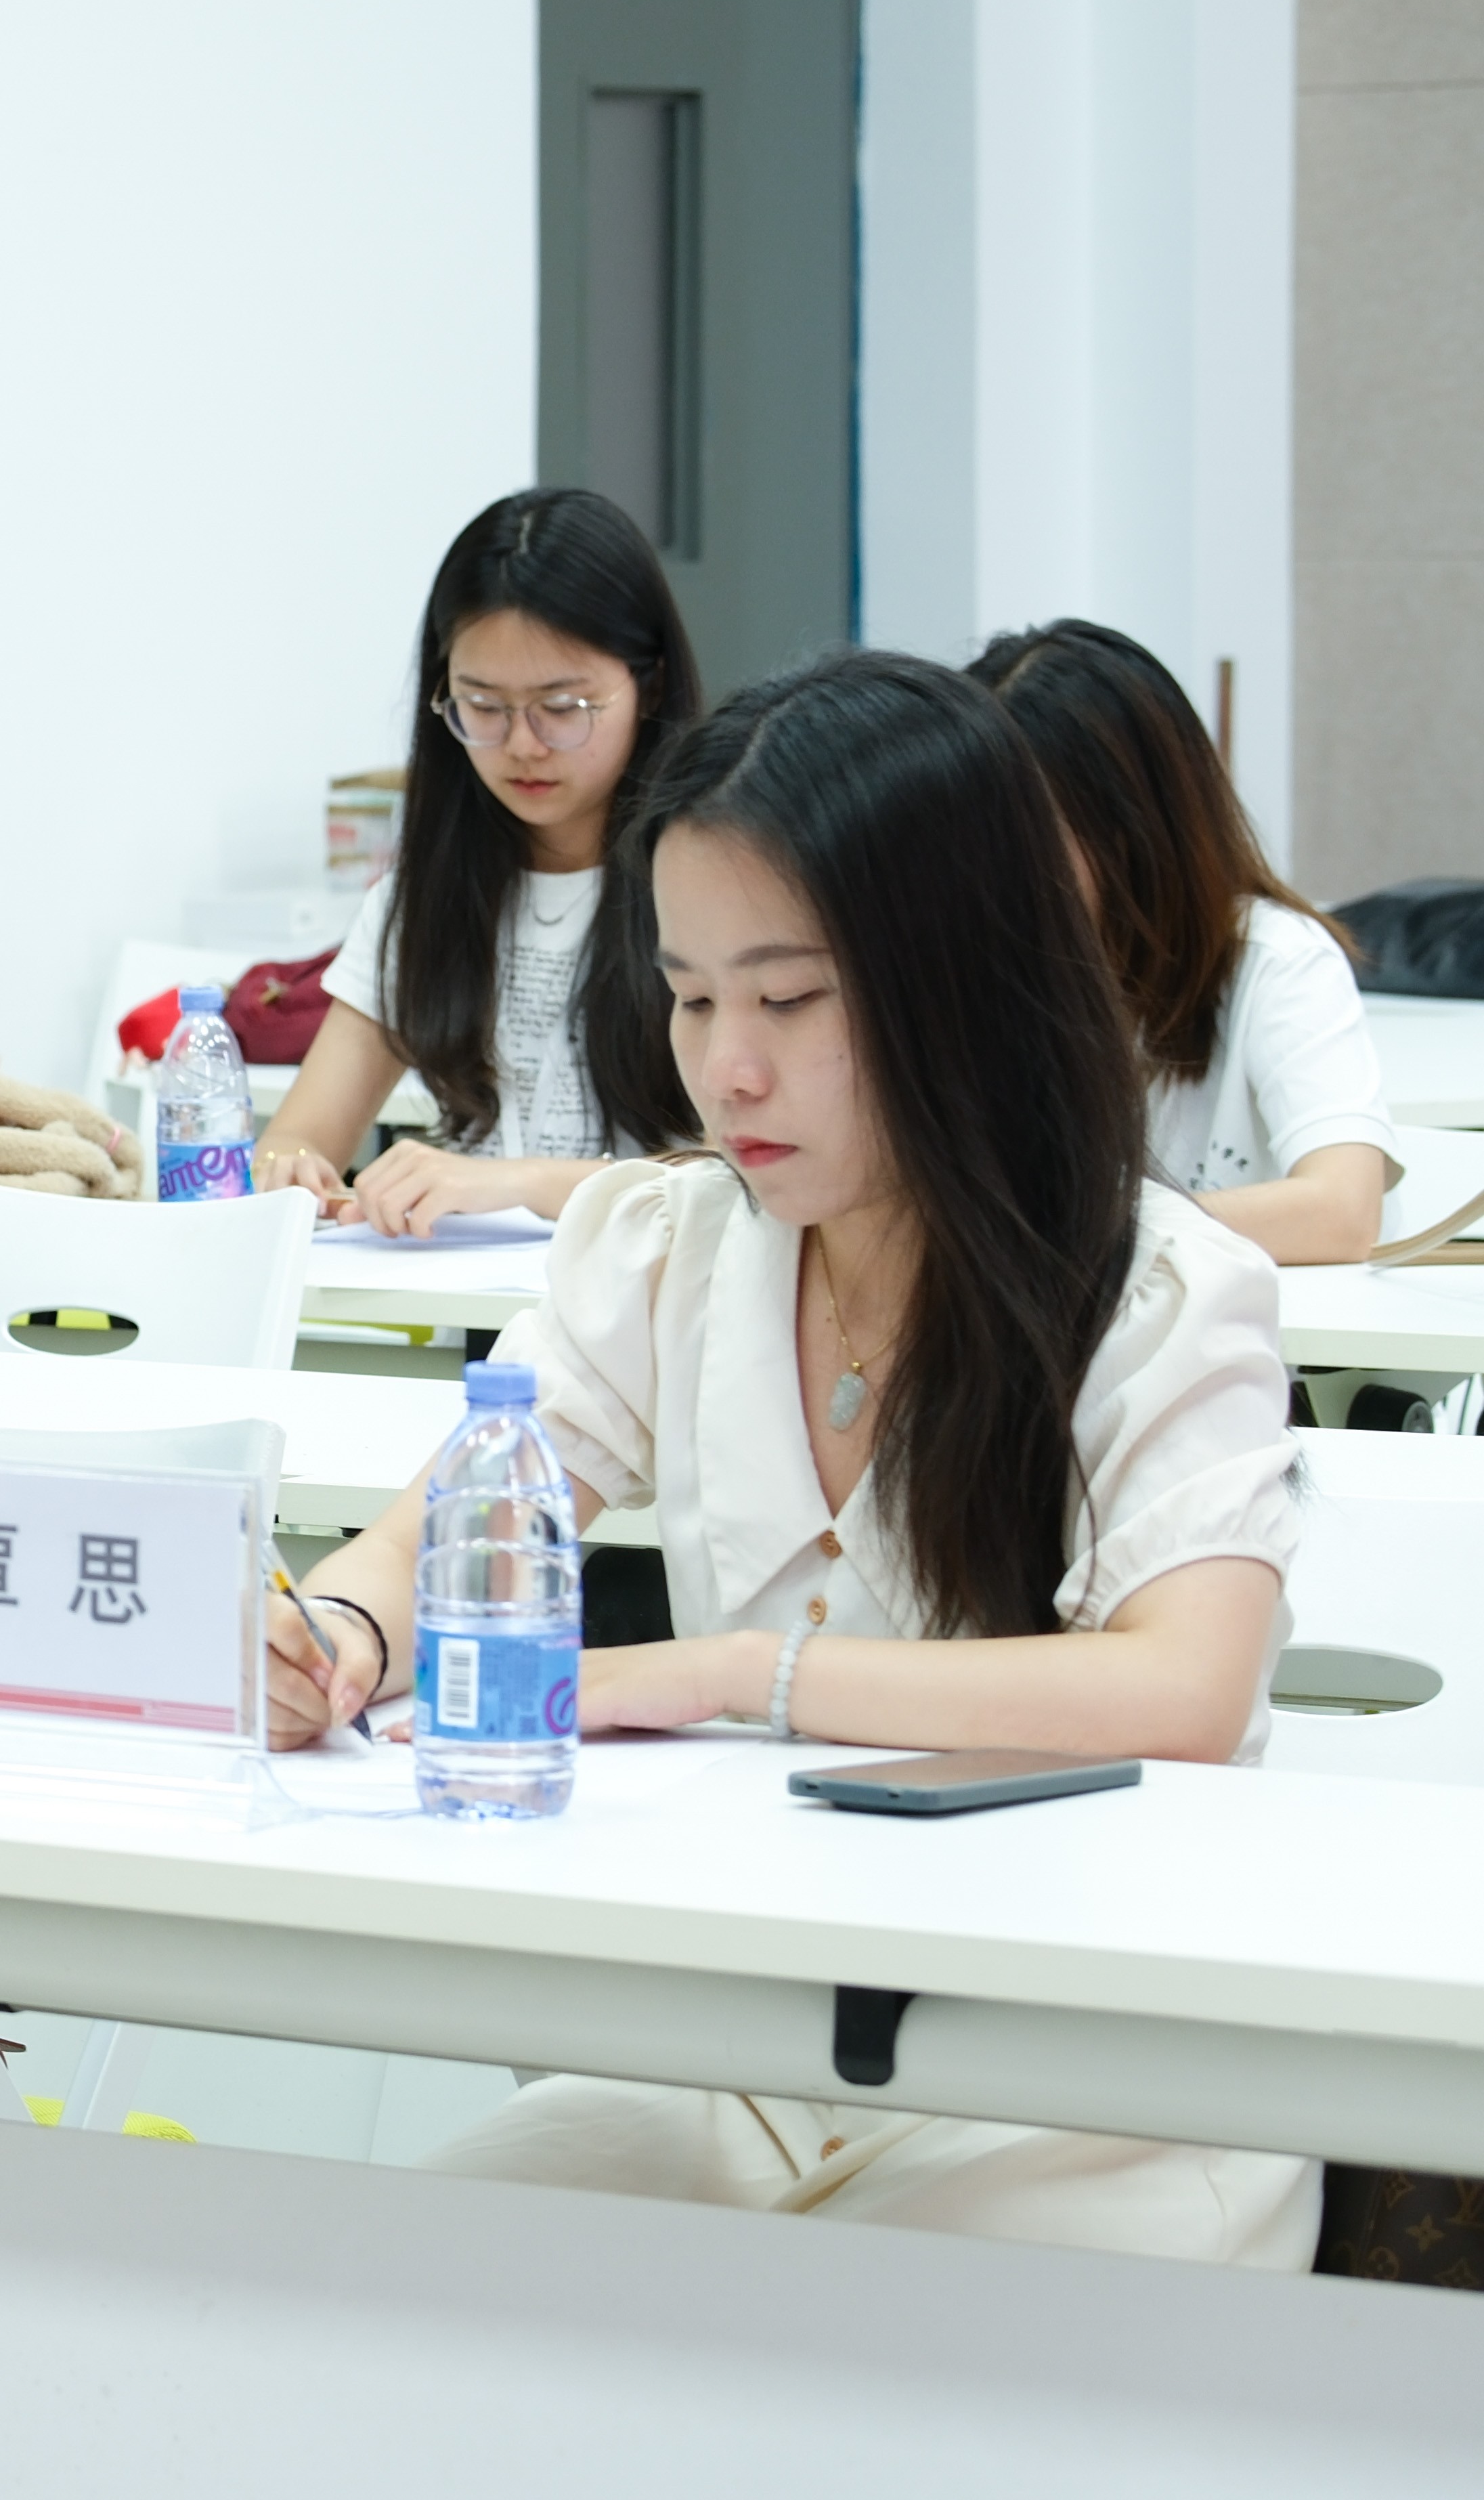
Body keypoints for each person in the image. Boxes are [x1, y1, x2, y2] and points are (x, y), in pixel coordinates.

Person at [273, 651, 1308, 2266]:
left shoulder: (1161, 1289)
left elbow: (1184, 1689)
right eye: (690, 997)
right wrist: (335, 1634)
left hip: (1093, 2079)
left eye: (789, 998)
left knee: (834, 2354)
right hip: (752, 2059)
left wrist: (732, 1677)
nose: (725, 1067)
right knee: (387, 2281)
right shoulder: (669, 1244)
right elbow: (446, 1526)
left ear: (960, 976)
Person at [259, 490, 703, 1234]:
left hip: (656, 1291)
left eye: (562, 707)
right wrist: (292, 1169)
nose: (522, 745)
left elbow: (740, 1174)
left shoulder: (715, 889)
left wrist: (519, 1182)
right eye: (483, 706)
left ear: (649, 682)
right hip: (472, 1294)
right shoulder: (422, 899)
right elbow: (299, 1138)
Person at [967, 618, 1400, 1264]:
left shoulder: (1275, 959)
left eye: (1027, 833)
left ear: (1130, 828)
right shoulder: (991, 971)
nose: (992, 867)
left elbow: (1341, 1214)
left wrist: (1080, 1233)